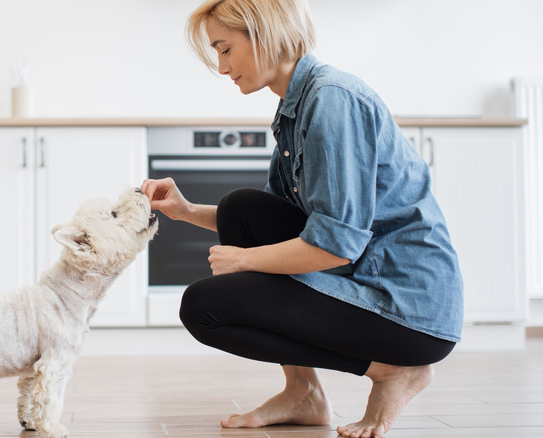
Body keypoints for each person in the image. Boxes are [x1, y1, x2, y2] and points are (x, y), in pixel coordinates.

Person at [140, 0, 464, 437]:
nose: (222, 67)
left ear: (264, 35)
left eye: (225, 49)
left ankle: (393, 372)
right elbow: (277, 222)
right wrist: (186, 211)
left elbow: (333, 245)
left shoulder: (332, 101)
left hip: (406, 309)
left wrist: (244, 262)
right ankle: (303, 392)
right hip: (361, 278)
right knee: (242, 207)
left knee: (204, 307)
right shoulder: (298, 105)